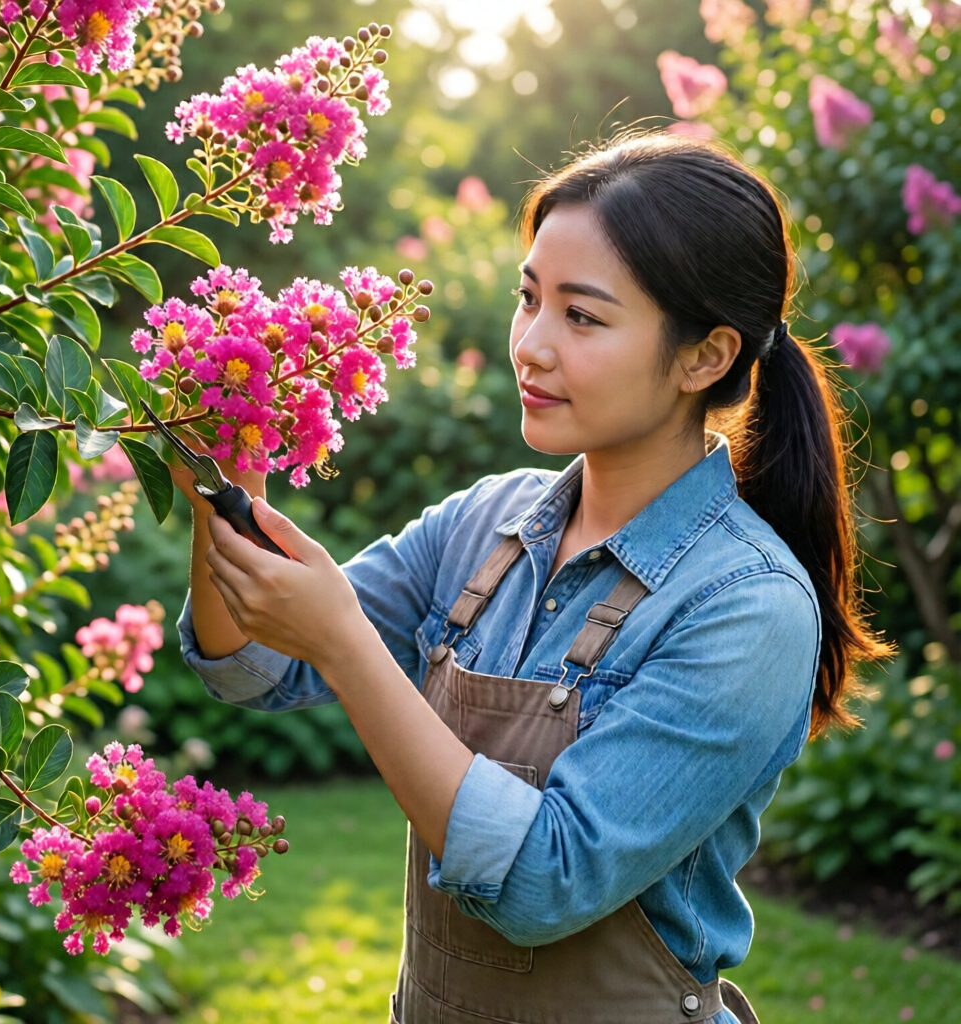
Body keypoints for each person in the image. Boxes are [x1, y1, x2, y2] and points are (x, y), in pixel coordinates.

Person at [172, 132, 888, 1024]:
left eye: (582, 317)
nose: (531, 346)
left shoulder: (747, 605)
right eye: (528, 298)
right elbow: (252, 666)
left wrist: (346, 643)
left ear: (705, 356)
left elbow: (543, 883)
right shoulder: (486, 521)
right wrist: (219, 492)